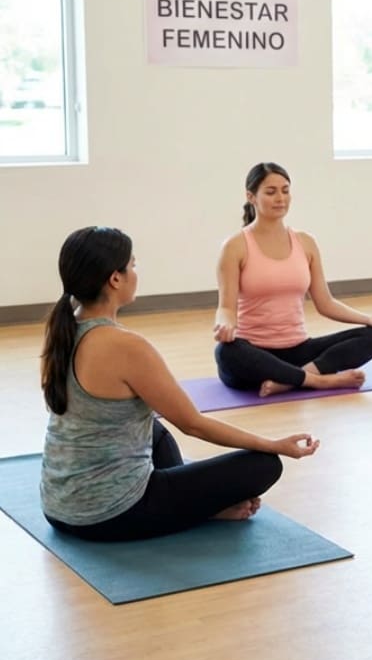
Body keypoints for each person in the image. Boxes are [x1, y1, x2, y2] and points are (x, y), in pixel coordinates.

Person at [40, 226, 320, 542]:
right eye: (132, 265)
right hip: (110, 515)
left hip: (58, 507)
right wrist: (274, 444)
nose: (135, 272)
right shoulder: (126, 346)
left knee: (155, 431)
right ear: (115, 279)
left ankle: (195, 506)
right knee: (263, 465)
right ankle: (198, 509)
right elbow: (193, 424)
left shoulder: (64, 329)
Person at [212, 162, 372, 396]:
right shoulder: (235, 246)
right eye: (271, 192)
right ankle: (320, 381)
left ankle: (291, 380)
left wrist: (369, 319)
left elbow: (325, 303)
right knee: (226, 352)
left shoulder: (305, 242)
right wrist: (225, 324)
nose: (280, 198)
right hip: (254, 353)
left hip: (298, 350)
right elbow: (226, 308)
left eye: (285, 190)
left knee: (371, 336)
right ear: (251, 196)